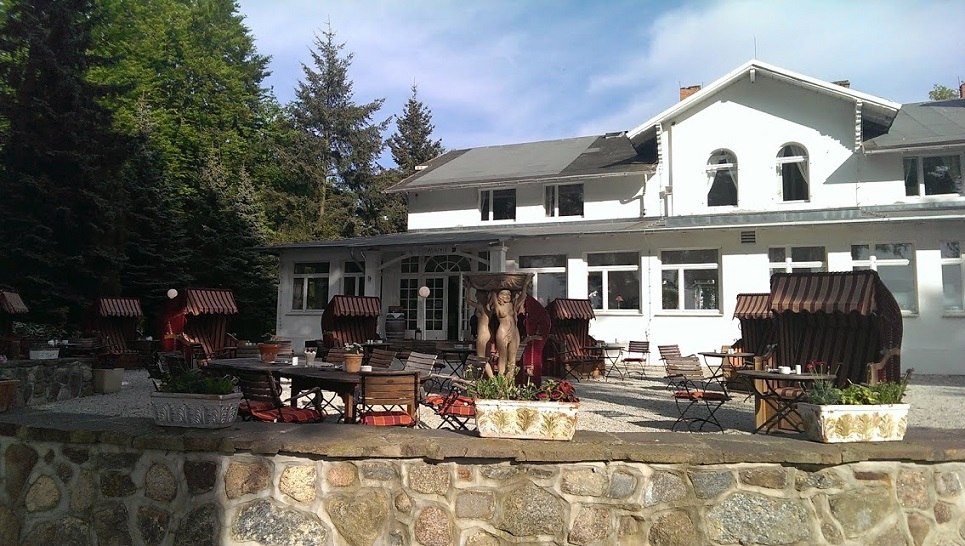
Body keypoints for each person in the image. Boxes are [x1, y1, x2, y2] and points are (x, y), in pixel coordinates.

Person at [491, 289, 524, 375]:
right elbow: (493, 291)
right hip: (503, 331)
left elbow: (523, 296)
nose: (507, 296)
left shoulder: (512, 305)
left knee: (512, 359)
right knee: (503, 357)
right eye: (504, 294)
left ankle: (509, 383)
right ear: (499, 296)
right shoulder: (497, 305)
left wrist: (525, 284)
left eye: (509, 295)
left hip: (513, 332)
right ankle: (501, 380)